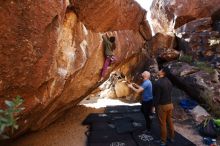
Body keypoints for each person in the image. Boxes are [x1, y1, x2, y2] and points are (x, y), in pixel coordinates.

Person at [154, 68, 174, 146]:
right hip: (170, 105)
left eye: (160, 70)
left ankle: (163, 141)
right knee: (170, 121)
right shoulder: (169, 82)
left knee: (163, 124)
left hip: (162, 106)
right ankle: (172, 138)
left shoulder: (158, 83)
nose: (158, 71)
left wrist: (154, 106)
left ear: (163, 72)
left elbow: (157, 97)